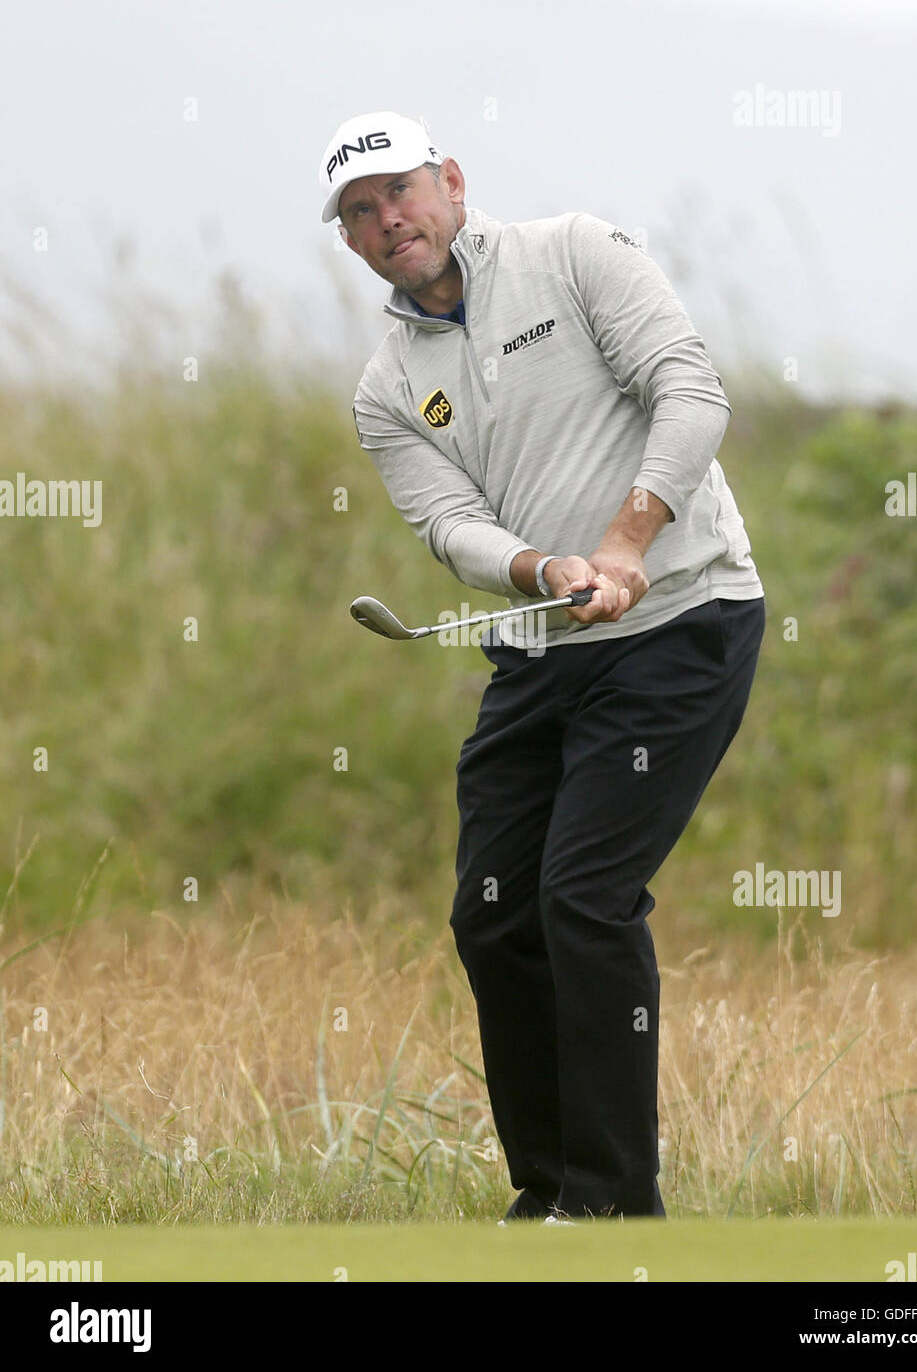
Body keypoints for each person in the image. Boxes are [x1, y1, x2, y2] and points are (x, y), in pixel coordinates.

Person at [319, 110, 766, 1222]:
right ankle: (552, 1190)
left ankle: (615, 1204)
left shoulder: (575, 254)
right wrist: (536, 568)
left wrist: (626, 543)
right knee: (492, 911)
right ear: (349, 240)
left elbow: (693, 394)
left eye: (401, 192)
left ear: (453, 182)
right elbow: (448, 521)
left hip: (681, 624)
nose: (389, 220)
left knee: (585, 898)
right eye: (361, 213)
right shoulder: (387, 388)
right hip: (542, 648)